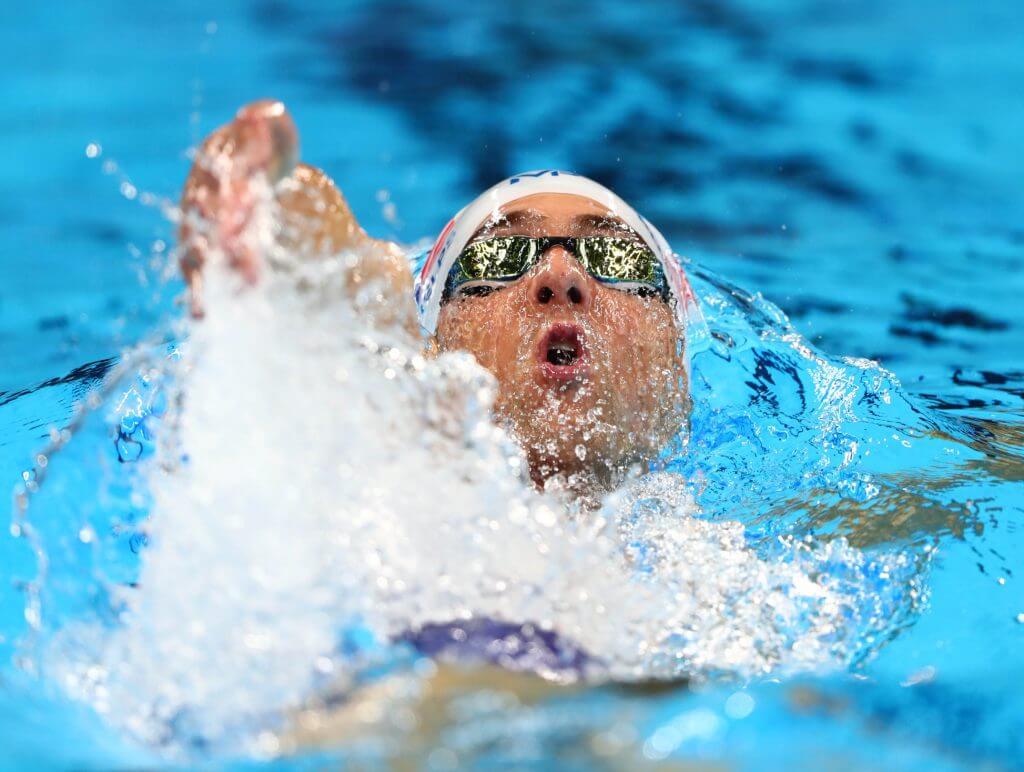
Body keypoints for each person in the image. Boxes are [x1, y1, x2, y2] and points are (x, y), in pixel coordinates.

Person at [179, 100, 699, 494]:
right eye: (499, 256)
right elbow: (351, 274)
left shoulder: (761, 541)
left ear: (677, 373)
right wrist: (259, 198)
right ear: (435, 346)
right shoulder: (375, 510)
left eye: (617, 257)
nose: (559, 274)